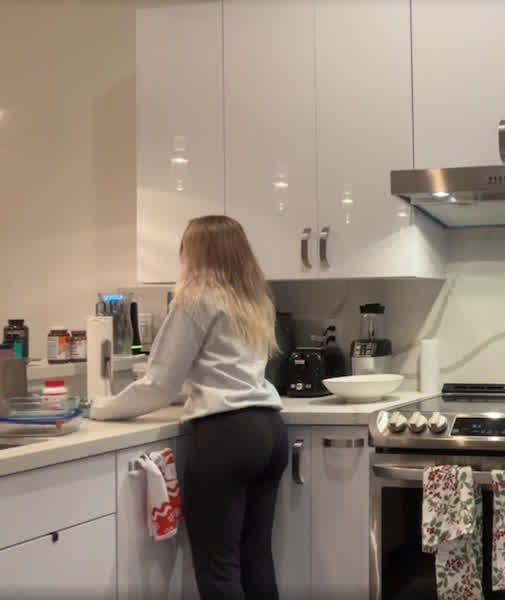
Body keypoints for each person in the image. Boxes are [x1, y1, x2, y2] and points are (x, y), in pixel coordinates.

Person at [91, 215, 288, 600]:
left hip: (226, 438)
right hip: (269, 430)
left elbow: (158, 386)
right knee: (256, 557)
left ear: (194, 254)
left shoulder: (196, 299)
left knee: (218, 567)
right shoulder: (255, 301)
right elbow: (224, 372)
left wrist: (98, 409)